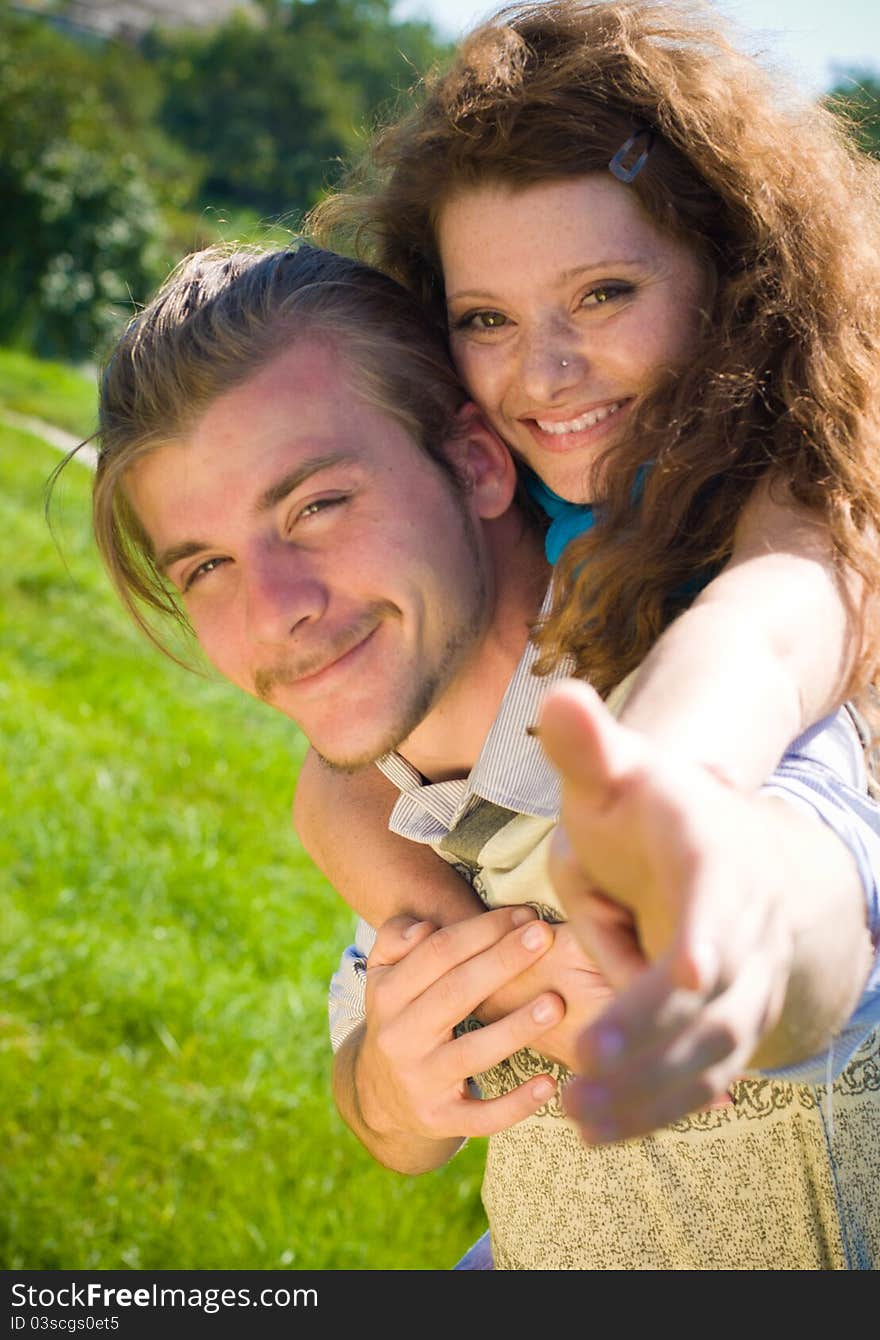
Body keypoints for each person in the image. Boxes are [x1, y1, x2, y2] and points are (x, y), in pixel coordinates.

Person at [64, 241, 880, 1267]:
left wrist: (713, 936)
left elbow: (817, 877)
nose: (277, 613)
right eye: (209, 565)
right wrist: (390, 1081)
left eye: (316, 505)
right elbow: (390, 1125)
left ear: (476, 461)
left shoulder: (700, 671)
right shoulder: (395, 784)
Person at [305, 0, 880, 1016]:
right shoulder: (499, 491)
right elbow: (334, 784)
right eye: (485, 318)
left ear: (734, 270)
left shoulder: (806, 464)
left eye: (604, 293)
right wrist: (492, 962)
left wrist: (671, 777)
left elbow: (766, 626)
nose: (546, 373)